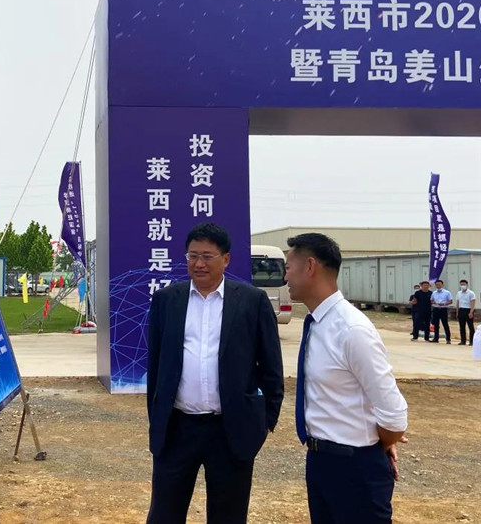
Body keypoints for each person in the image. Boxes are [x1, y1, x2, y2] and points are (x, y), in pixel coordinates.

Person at [146, 222, 284, 524]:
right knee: (165, 513)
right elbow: (155, 366)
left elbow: (271, 368)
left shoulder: (251, 301)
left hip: (230, 430)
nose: (199, 264)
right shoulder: (167, 300)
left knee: (228, 515)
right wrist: (157, 417)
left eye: (207, 256)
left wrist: (265, 422)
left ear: (226, 259)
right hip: (178, 428)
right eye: (192, 256)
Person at [285, 233, 408, 524]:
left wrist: (373, 446)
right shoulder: (318, 323)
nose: (285, 276)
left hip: (355, 469)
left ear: (310, 266)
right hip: (321, 460)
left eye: (288, 267)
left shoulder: (351, 329)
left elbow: (394, 415)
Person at [430, 280, 452, 344]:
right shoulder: (434, 293)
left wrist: (444, 303)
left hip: (443, 309)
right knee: (436, 324)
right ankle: (436, 338)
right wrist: (434, 302)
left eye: (439, 284)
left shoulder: (447, 292)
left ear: (442, 285)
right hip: (436, 309)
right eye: (437, 285)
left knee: (445, 324)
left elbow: (450, 301)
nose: (438, 286)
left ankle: (448, 339)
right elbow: (431, 300)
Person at [456, 279, 476, 346]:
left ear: (467, 285)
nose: (462, 286)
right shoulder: (459, 293)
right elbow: (458, 302)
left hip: (468, 310)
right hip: (461, 310)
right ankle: (463, 341)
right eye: (461, 284)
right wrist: (457, 311)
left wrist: (471, 312)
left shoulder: (471, 293)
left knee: (470, 326)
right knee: (462, 326)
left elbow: (473, 302)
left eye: (464, 284)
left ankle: (472, 341)